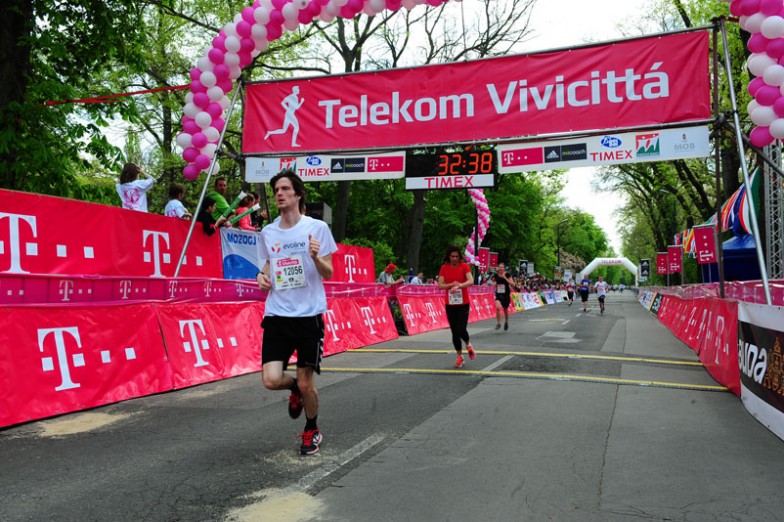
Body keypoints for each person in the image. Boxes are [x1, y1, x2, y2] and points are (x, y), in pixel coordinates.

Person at [255, 169, 337, 456]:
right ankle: (294, 390)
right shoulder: (268, 232)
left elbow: (328, 272)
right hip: (277, 314)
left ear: (298, 194)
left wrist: (315, 257)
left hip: (308, 316)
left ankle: (312, 428)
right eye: (276, 190)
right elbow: (267, 267)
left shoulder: (317, 228)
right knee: (270, 380)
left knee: (306, 382)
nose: (279, 193)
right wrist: (261, 277)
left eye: (285, 189)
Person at [437, 246, 475, 368]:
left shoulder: (464, 266)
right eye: (453, 256)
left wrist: (459, 286)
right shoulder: (444, 268)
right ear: (449, 257)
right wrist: (451, 285)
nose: (455, 259)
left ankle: (468, 344)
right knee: (454, 332)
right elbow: (440, 285)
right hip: (450, 304)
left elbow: (471, 281)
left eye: (457, 256)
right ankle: (460, 357)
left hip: (463, 303)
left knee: (461, 328)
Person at [493, 264, 515, 331]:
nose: (500, 268)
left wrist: (504, 277)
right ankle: (498, 323)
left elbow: (513, 284)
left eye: (502, 267)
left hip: (506, 294)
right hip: (498, 293)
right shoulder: (496, 275)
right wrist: (494, 284)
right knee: (497, 307)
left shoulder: (507, 275)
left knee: (505, 309)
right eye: (499, 267)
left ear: (504, 268)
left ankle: (506, 322)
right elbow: (494, 283)